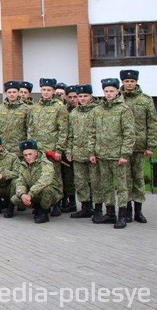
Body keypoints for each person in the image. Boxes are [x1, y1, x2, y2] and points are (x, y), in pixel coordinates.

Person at [92, 78, 135, 229]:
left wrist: (125, 154)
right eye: (106, 91)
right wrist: (93, 151)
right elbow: (92, 133)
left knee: (122, 186)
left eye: (111, 91)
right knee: (106, 186)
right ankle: (110, 213)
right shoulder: (98, 110)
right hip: (102, 155)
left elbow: (129, 134)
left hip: (118, 156)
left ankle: (122, 215)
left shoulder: (124, 109)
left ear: (118, 91)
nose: (109, 94)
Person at [120, 69, 157, 224]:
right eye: (127, 81)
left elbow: (152, 123)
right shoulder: (118, 99)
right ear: (122, 82)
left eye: (132, 81)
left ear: (136, 82)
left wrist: (151, 145)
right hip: (122, 147)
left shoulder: (146, 99)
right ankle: (126, 211)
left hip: (140, 146)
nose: (129, 84)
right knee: (125, 180)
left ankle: (138, 211)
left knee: (139, 179)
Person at [26, 78, 68, 216]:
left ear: (54, 91)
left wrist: (59, 149)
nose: (46, 92)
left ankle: (56, 203)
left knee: (54, 177)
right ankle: (40, 204)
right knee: (39, 176)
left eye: (48, 90)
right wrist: (31, 148)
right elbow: (30, 128)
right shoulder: (35, 107)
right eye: (43, 90)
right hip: (38, 150)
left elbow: (63, 130)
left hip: (52, 149)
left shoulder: (59, 107)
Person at [65, 84, 98, 219]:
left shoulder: (97, 111)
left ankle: (98, 208)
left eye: (85, 96)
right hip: (78, 152)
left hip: (93, 153)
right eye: (80, 96)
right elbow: (70, 135)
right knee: (80, 181)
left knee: (95, 182)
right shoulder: (74, 113)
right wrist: (69, 151)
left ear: (90, 96)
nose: (82, 99)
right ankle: (85, 207)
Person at [12, 140, 62, 224]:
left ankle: (44, 212)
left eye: (30, 154)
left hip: (51, 193)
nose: (27, 157)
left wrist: (30, 194)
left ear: (36, 152)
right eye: (25, 155)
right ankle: (37, 207)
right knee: (15, 199)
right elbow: (20, 182)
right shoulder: (23, 165)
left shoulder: (46, 163)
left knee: (47, 190)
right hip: (34, 193)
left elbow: (44, 181)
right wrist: (22, 194)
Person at [0, 81, 30, 157]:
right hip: (3, 149)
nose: (12, 94)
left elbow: (29, 130)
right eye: (9, 92)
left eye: (14, 92)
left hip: (19, 149)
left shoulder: (26, 109)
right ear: (6, 93)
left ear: (18, 93)